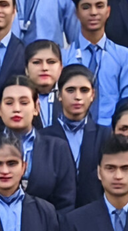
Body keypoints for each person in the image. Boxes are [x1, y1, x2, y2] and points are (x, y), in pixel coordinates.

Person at [0, 75, 77, 210]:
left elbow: (66, 204)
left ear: (36, 107)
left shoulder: (57, 149)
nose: (16, 109)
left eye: (24, 102)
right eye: (9, 103)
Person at [66, 0, 128, 125]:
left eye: (99, 6)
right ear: (77, 13)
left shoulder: (124, 57)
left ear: (108, 11)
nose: (93, 12)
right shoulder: (64, 57)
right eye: (86, 7)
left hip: (113, 135)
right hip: (72, 132)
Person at [41, 64, 110, 206]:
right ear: (59, 95)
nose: (77, 97)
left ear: (93, 95)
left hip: (93, 215)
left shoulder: (105, 135)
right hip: (54, 215)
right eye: (70, 90)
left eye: (84, 90)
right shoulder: (43, 137)